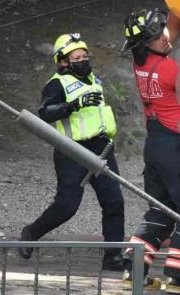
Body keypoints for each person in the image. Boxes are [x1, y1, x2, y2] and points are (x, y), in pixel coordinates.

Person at [121, 8, 180, 295]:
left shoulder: (142, 63)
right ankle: (179, 278)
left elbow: (169, 36)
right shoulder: (170, 69)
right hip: (177, 147)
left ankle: (133, 270)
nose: (164, 37)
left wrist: (178, 6)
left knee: (160, 210)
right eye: (157, 34)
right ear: (146, 41)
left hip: (155, 145)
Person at [18, 33, 125, 271]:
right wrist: (74, 104)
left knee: (114, 201)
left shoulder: (95, 80)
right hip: (72, 150)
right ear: (63, 61)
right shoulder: (56, 83)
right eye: (77, 57)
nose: (83, 60)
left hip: (101, 147)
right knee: (67, 205)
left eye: (85, 55)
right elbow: (45, 113)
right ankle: (31, 232)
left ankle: (113, 256)